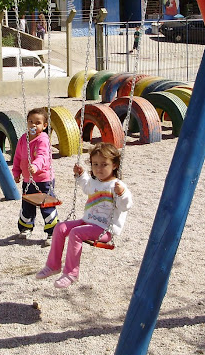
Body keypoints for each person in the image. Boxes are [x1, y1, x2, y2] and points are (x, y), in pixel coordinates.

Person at [35, 142, 133, 288]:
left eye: (104, 164)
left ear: (114, 165)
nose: (99, 169)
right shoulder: (94, 181)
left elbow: (126, 206)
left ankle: (71, 274)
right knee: (60, 227)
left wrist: (121, 194)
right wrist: (80, 174)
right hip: (87, 221)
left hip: (104, 229)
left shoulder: (117, 186)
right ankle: (53, 265)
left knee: (75, 233)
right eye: (95, 164)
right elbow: (86, 186)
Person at [13, 107, 58, 246]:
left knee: (46, 205)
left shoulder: (43, 139)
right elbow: (18, 157)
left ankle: (52, 232)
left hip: (44, 180)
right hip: (28, 180)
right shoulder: (23, 139)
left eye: (37, 122)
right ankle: (26, 228)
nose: (33, 125)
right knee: (27, 205)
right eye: (30, 121)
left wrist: (36, 166)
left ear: (44, 126)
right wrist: (16, 172)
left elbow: (43, 156)